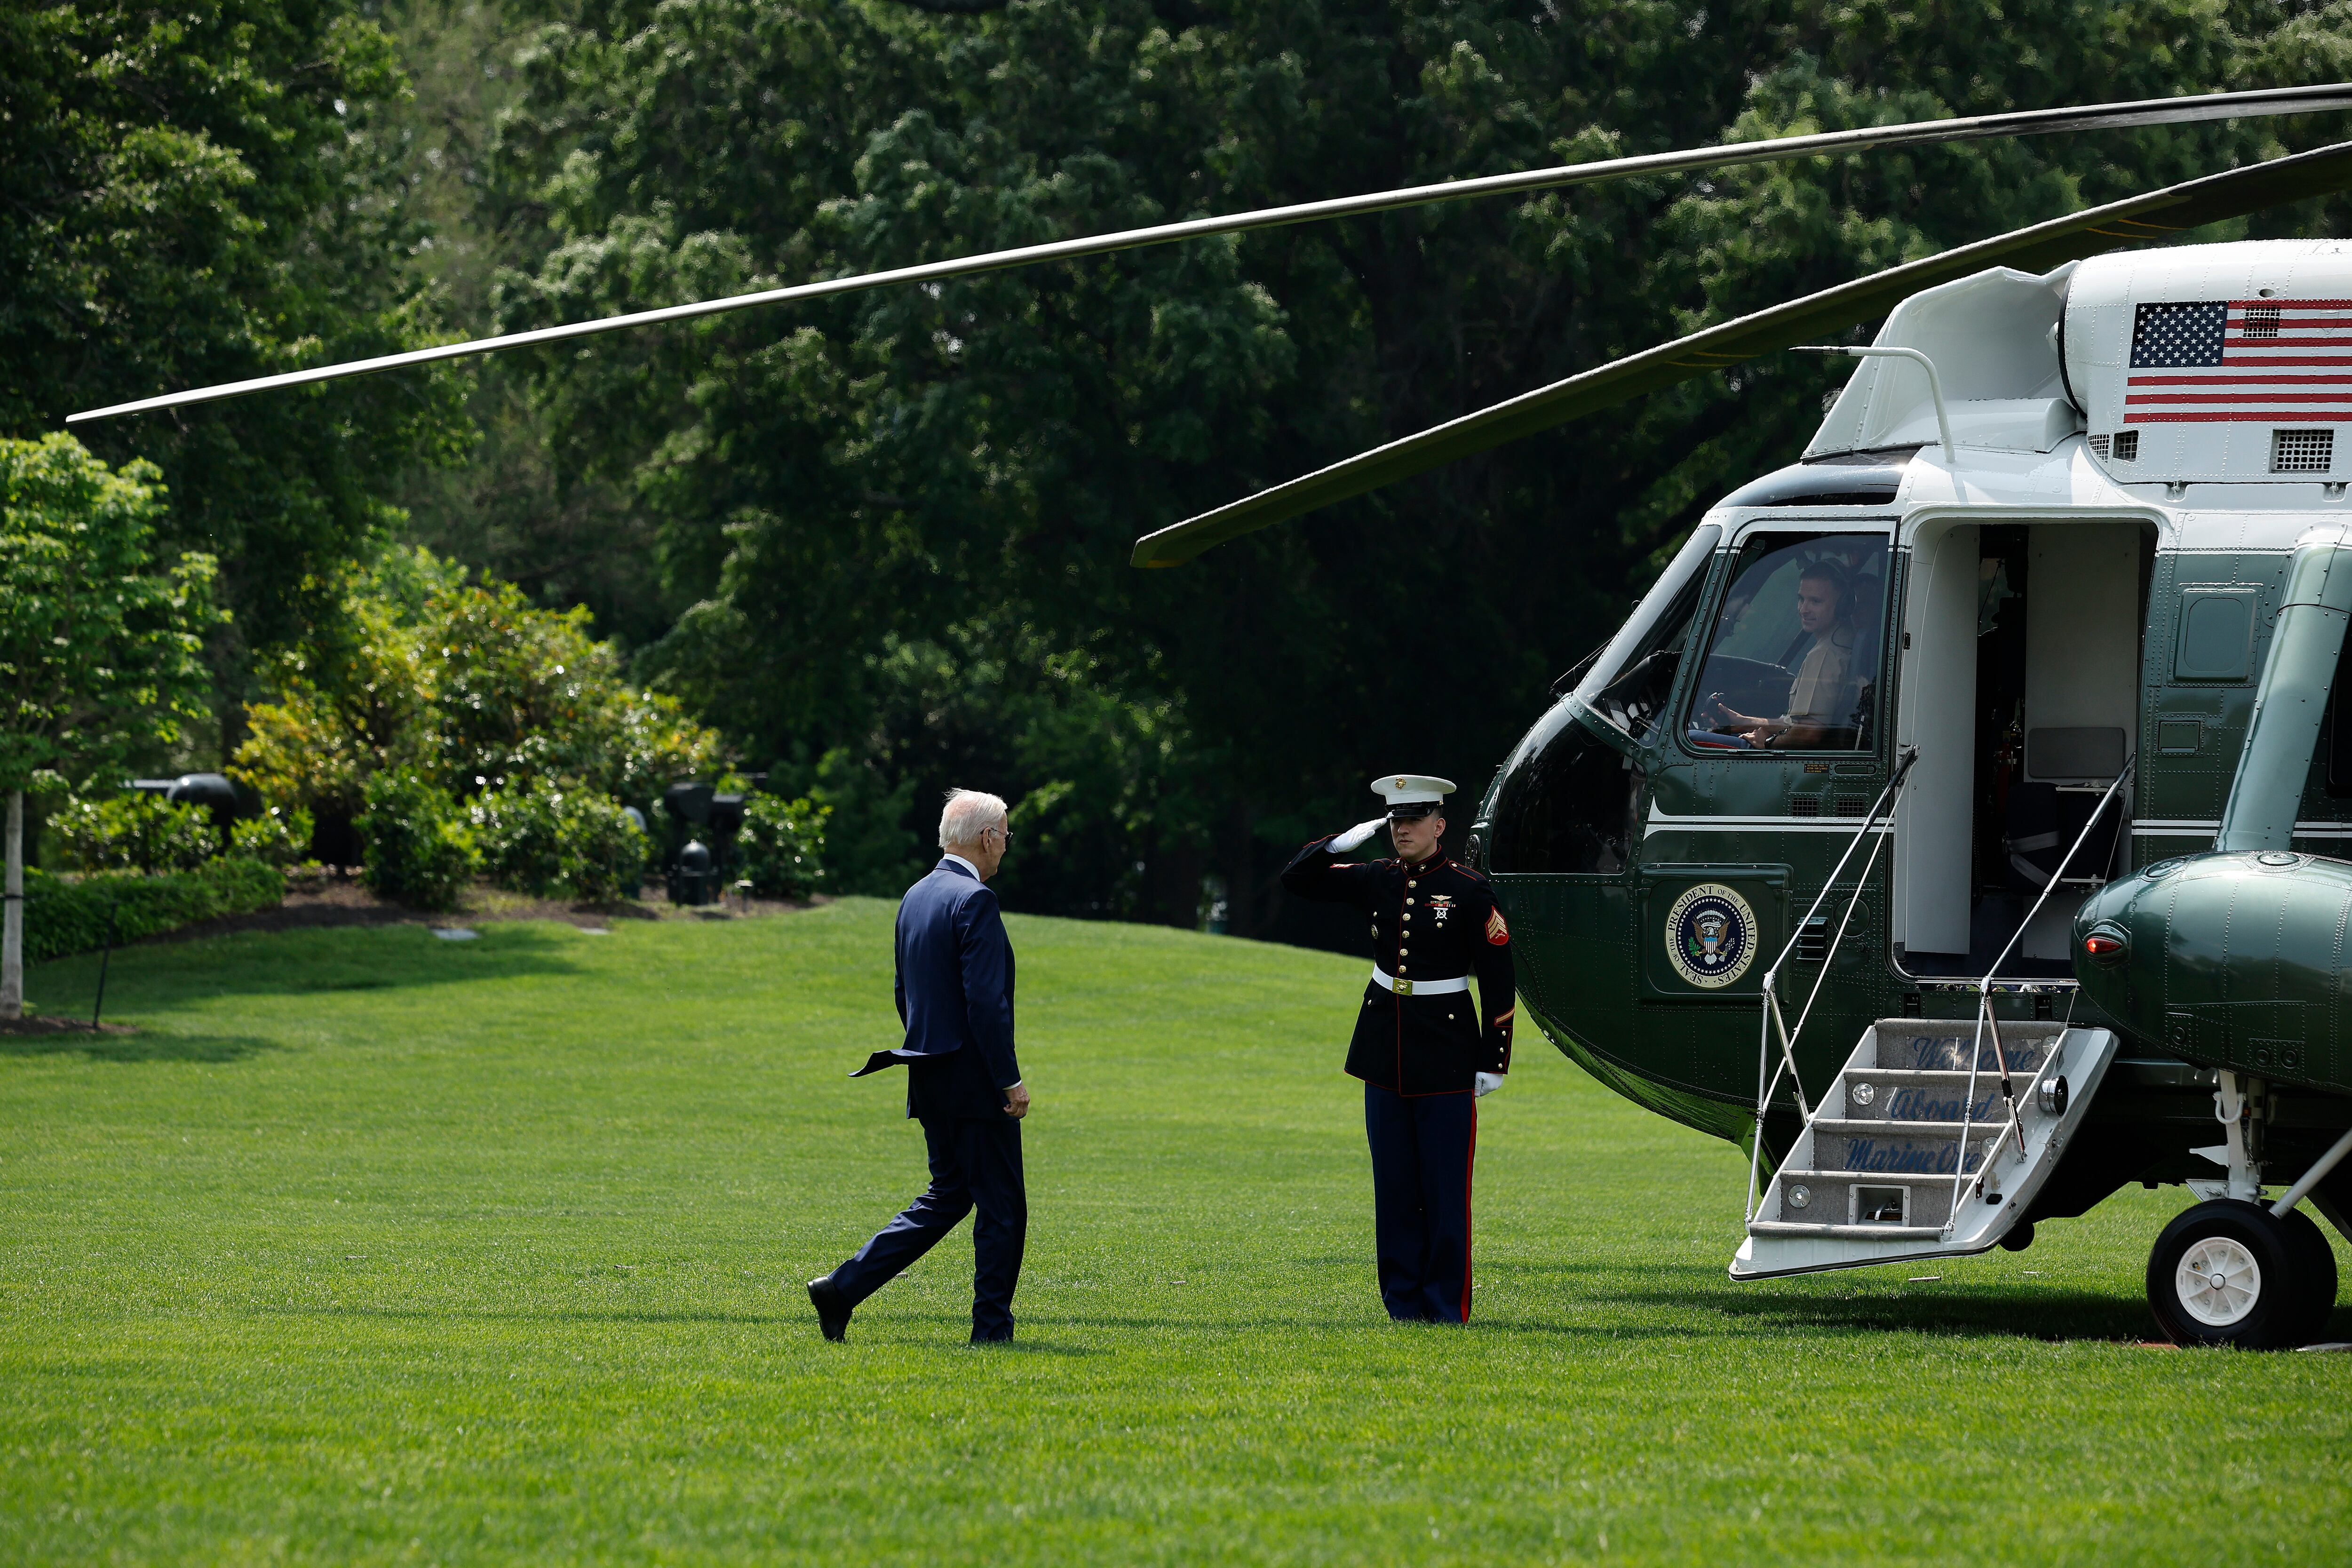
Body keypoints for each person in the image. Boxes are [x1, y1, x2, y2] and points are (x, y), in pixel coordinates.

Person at [1280, 774, 1515, 1324]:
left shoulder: (1468, 889)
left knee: (1443, 1189)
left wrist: (1493, 1058)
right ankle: (1402, 1304)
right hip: (1384, 1049)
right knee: (1394, 1187)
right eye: (1393, 821)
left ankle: (1444, 1304)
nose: (1401, 830)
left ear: (1439, 825)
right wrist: (1340, 844)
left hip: (1447, 1052)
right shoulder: (1376, 878)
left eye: (1412, 821)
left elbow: (1499, 981)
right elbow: (1297, 879)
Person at [808, 789, 1030, 1345]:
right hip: (975, 1083)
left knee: (949, 1194)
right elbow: (985, 1004)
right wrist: (1008, 1078)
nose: (1006, 844)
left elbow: (905, 992)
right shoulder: (975, 901)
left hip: (926, 1073)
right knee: (1003, 1208)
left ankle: (841, 1288)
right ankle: (991, 1333)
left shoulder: (916, 896)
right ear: (986, 838)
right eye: (1005, 833)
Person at [1703, 558, 1859, 749]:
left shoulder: (1826, 654)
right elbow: (1796, 724)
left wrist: (1768, 743)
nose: (1804, 610)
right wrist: (1742, 722)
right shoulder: (1845, 641)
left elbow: (1809, 731)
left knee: (1694, 738)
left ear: (1843, 605)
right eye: (1801, 599)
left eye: (1815, 601)